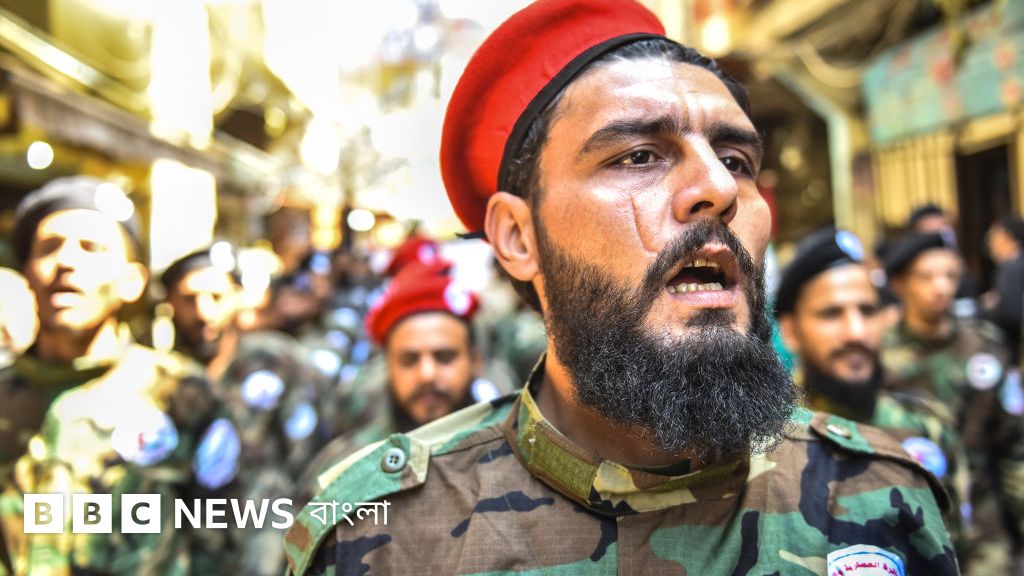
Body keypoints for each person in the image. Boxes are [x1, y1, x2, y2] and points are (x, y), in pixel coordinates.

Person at [285, 1, 957, 574]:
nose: (718, 188)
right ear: (519, 237)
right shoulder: (385, 536)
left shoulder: (875, 496)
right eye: (639, 156)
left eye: (735, 160)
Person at [0, 177, 240, 575]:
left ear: (133, 283)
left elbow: (224, 538)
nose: (67, 261)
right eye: (49, 247)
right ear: (26, 272)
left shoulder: (179, 393)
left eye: (90, 248)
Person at [775, 228, 968, 555]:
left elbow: (958, 549)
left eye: (867, 311)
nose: (857, 332)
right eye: (831, 313)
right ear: (791, 331)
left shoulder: (925, 426)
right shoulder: (766, 438)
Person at [161, 246, 337, 576]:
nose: (202, 311)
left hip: (270, 549)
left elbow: (313, 460)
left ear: (237, 298)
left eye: (216, 296)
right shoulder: (160, 377)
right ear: (169, 301)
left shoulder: (278, 361)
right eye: (189, 298)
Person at [298, 260, 509, 495]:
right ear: (387, 367)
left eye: (444, 357)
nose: (427, 375)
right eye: (409, 360)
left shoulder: (514, 457)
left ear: (476, 362)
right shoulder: (346, 473)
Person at [882, 231, 1024, 574]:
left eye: (950, 275)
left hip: (982, 523)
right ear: (899, 284)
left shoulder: (984, 347)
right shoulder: (878, 357)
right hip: (908, 520)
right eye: (927, 277)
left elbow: (1014, 445)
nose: (942, 287)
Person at [983, 216, 1024, 364]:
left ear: (1010, 238)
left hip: (1013, 351)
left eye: (994, 237)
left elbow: (1012, 313)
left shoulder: (1011, 268)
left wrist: (986, 308)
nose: (990, 244)